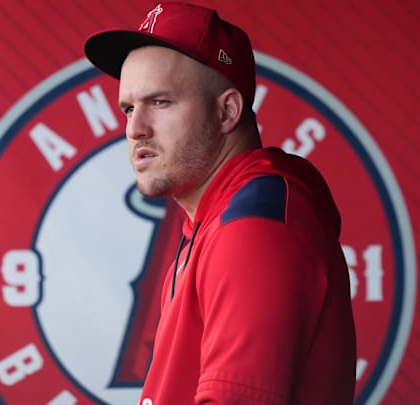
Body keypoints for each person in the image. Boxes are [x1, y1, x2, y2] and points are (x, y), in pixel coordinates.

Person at [84, 2, 357, 404]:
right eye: (128, 108)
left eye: (160, 102)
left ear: (227, 111)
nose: (135, 129)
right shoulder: (212, 221)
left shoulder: (254, 222)